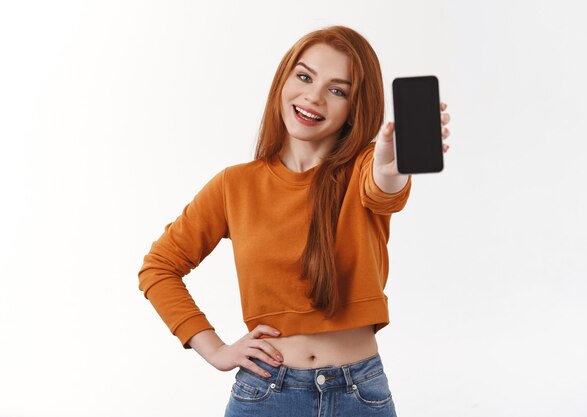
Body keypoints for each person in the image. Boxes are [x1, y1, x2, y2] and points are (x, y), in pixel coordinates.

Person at [138, 25, 451, 417]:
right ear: (283, 80)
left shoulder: (366, 166)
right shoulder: (234, 185)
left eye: (338, 90)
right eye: (304, 77)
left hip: (360, 394)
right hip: (266, 393)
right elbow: (159, 267)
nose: (313, 97)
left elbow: (383, 187)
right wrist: (214, 349)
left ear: (356, 108)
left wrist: (394, 166)